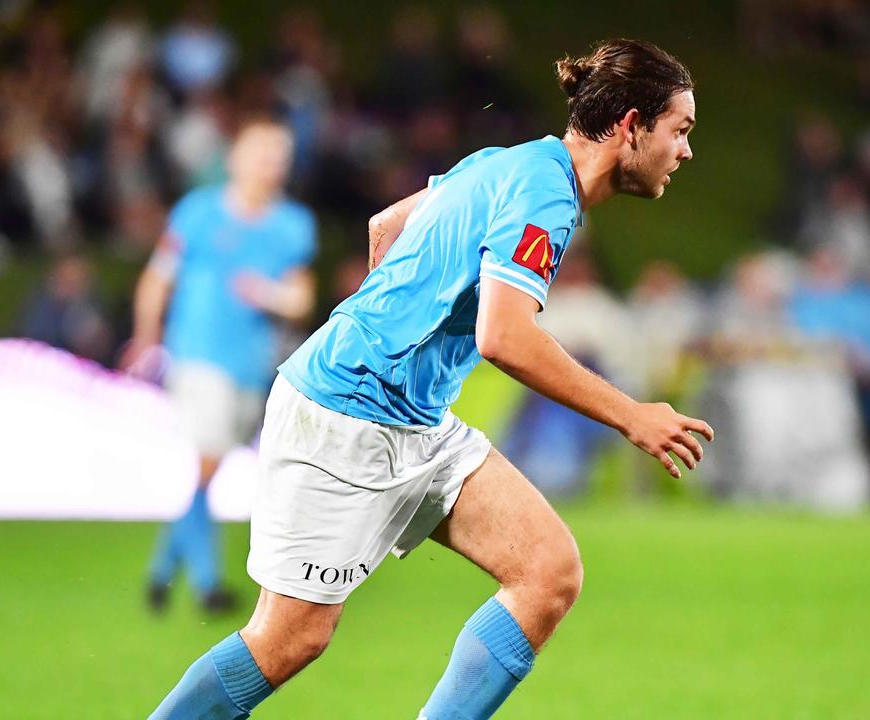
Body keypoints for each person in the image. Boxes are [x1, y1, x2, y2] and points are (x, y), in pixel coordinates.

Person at [148, 39, 711, 719]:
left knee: (547, 571)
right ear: (629, 125)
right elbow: (503, 337)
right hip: (345, 415)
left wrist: (399, 327)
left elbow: (385, 225)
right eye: (678, 131)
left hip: (413, 416)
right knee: (289, 641)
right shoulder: (546, 199)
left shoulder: (509, 163)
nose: (684, 151)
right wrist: (631, 414)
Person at [122, 118, 317, 614]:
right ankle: (208, 586)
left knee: (209, 469)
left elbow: (300, 299)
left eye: (279, 156)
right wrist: (147, 335)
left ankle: (163, 572)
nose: (270, 165)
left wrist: (268, 293)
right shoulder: (198, 212)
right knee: (207, 460)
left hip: (252, 365)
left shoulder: (292, 224)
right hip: (197, 354)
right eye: (261, 153)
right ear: (235, 158)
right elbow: (157, 278)